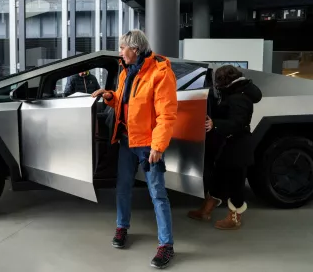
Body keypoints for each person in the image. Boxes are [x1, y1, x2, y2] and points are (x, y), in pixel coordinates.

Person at [92, 29, 178, 269]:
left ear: (136, 49)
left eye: (123, 48)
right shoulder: (126, 71)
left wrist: (158, 146)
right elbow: (124, 100)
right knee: (123, 187)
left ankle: (166, 246)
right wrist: (110, 96)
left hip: (149, 145)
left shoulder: (161, 73)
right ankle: (122, 227)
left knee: (158, 194)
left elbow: (167, 115)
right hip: (126, 141)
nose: (120, 52)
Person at [188, 65, 262, 230]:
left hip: (238, 147)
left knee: (236, 184)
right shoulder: (235, 93)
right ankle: (206, 210)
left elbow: (237, 123)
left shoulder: (240, 97)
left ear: (226, 82)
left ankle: (234, 218)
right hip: (230, 145)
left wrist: (215, 124)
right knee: (218, 177)